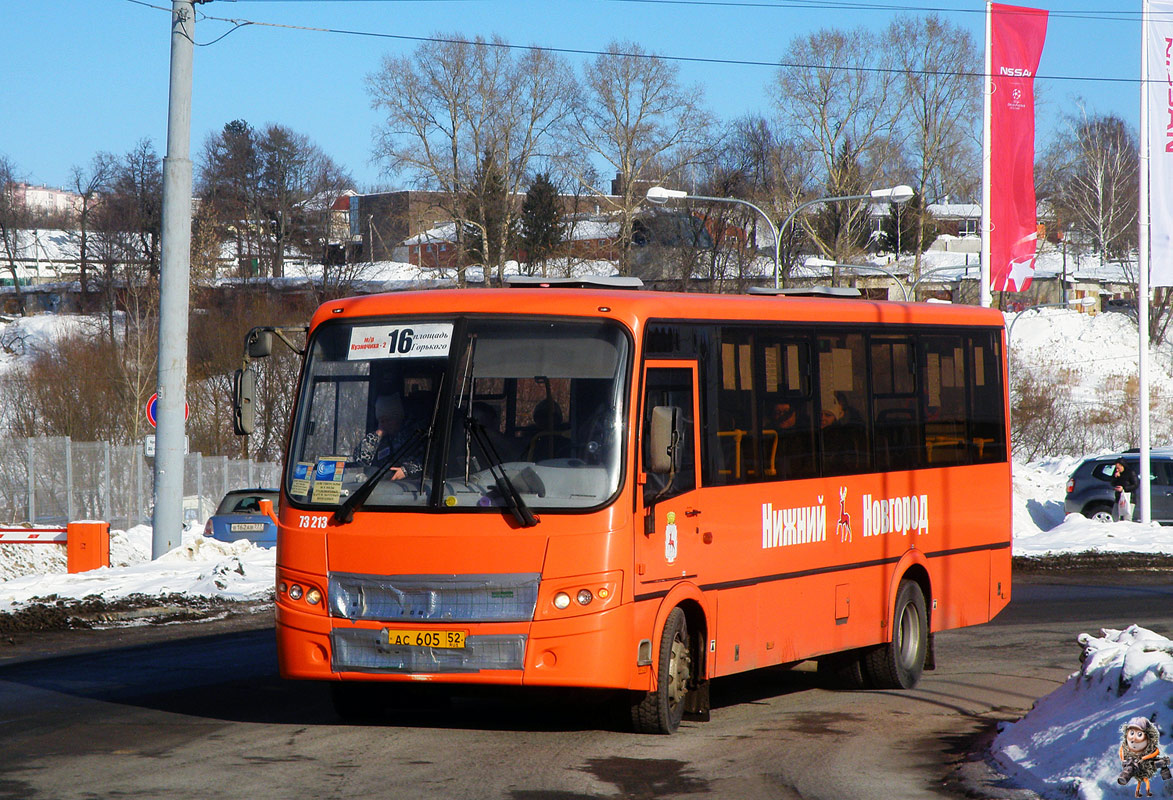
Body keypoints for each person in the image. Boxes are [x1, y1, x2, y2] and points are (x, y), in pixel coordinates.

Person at [352, 393, 423, 479]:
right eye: (382, 420)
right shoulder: (379, 439)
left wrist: (406, 470)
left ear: (399, 418)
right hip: (379, 485)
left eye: (389, 419)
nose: (385, 424)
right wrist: (378, 433)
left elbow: (427, 460)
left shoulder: (414, 436)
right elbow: (360, 460)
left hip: (409, 486)